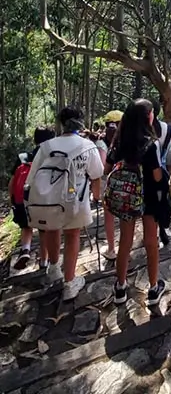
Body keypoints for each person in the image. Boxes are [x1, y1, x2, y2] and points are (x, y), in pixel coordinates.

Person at [26, 107, 104, 300]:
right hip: (76, 199)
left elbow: (32, 176)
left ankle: (53, 268)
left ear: (61, 123)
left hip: (49, 200)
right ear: (80, 122)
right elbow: (97, 175)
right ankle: (69, 283)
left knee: (52, 229)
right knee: (73, 236)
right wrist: (96, 197)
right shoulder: (87, 146)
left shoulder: (47, 146)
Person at [104, 99, 165, 307]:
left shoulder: (119, 141)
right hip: (147, 197)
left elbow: (107, 168)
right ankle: (154, 287)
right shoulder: (150, 144)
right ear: (146, 117)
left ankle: (120, 287)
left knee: (125, 242)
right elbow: (157, 176)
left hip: (125, 198)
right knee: (151, 241)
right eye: (151, 113)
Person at [8, 127, 55, 270]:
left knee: (26, 226)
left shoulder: (23, 157)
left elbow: (12, 181)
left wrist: (13, 199)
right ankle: (44, 261)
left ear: (35, 139)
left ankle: (25, 249)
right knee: (43, 230)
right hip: (41, 199)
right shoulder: (51, 157)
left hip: (22, 198)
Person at [95, 110, 123, 261]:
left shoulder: (102, 143)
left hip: (109, 185)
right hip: (127, 184)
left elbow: (103, 168)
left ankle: (112, 248)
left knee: (109, 217)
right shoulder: (128, 141)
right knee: (126, 218)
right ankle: (126, 248)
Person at [150, 98, 171, 247]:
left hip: (145, 175)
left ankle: (152, 234)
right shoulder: (169, 129)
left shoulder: (139, 131)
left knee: (148, 207)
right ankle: (163, 228)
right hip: (163, 171)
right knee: (162, 201)